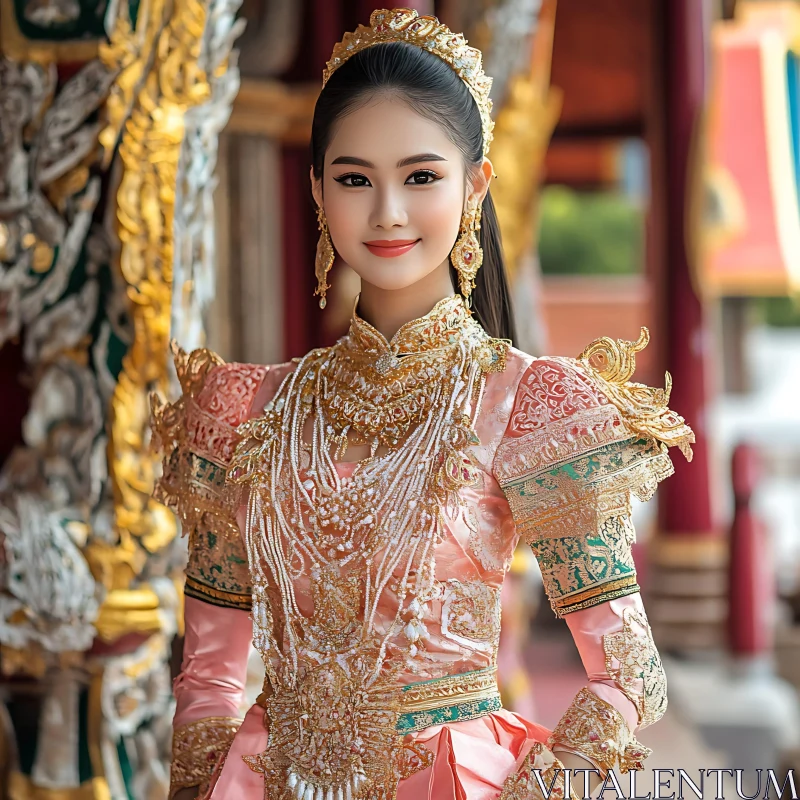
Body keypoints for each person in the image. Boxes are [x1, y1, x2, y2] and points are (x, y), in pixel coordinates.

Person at [152, 9, 695, 800]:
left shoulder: (527, 405)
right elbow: (207, 679)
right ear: (316, 189)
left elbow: (631, 672)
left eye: (420, 176)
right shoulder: (244, 410)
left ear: (475, 183)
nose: (388, 213)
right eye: (354, 179)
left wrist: (539, 787)